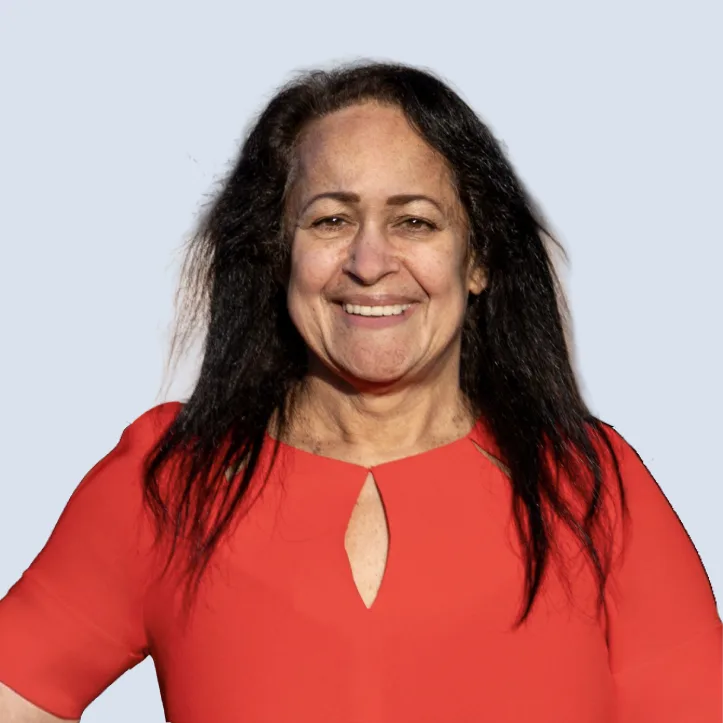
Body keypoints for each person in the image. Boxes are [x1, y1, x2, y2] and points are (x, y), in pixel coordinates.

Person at [0, 61, 720, 723]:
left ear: (477, 259)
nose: (370, 262)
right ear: (278, 252)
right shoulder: (171, 479)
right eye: (331, 220)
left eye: (415, 221)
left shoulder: (591, 488)